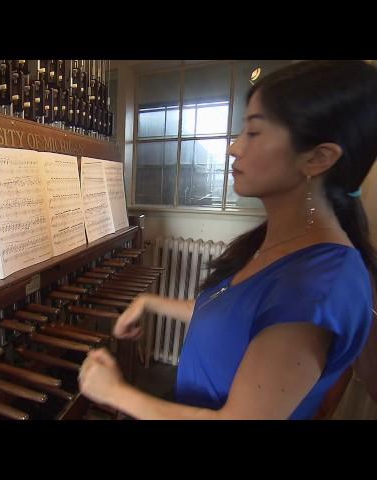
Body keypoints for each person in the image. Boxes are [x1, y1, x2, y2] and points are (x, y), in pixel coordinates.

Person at [78, 60, 377, 419]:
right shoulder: (278, 242)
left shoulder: (315, 288)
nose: (234, 148)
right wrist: (149, 302)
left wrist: (115, 392)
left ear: (318, 158)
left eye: (254, 132)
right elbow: (231, 318)